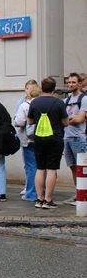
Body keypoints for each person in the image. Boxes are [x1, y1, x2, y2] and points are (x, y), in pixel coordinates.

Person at [28, 77, 69, 209]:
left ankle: (39, 199)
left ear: (42, 87)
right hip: (55, 138)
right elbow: (66, 122)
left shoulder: (34, 102)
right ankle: (48, 199)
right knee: (51, 169)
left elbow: (29, 121)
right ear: (54, 89)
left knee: (40, 168)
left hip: (39, 138)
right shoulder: (59, 103)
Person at [62, 73, 87, 205]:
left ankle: (84, 194)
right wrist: (70, 119)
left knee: (81, 168)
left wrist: (67, 120)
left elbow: (80, 119)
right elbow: (63, 119)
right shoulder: (66, 100)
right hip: (67, 138)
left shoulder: (84, 99)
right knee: (72, 167)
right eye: (69, 82)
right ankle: (78, 193)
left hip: (78, 137)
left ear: (79, 83)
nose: (71, 84)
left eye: (73, 82)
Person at [14, 84, 41, 201]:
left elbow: (19, 122)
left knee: (31, 167)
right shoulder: (43, 104)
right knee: (42, 166)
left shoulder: (24, 105)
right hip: (42, 138)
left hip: (28, 139)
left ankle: (31, 193)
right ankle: (42, 192)